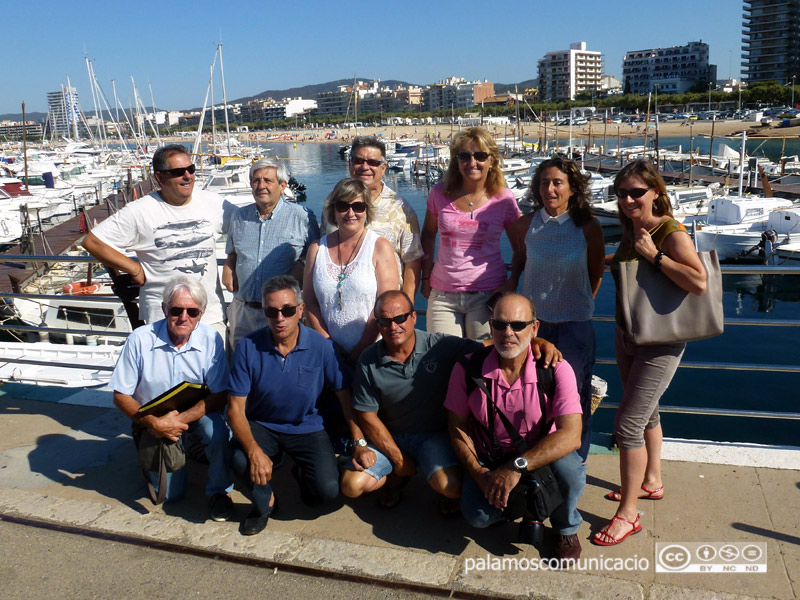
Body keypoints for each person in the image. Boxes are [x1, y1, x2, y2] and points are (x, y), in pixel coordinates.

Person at [340, 290, 563, 512]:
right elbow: (367, 415)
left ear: (414, 317)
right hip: (391, 435)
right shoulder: (368, 360)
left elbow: (489, 345)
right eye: (384, 321)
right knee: (352, 486)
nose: (393, 326)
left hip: (433, 436)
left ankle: (426, 482)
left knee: (452, 487)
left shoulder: (438, 346)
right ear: (377, 323)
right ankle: (396, 479)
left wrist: (537, 341)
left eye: (400, 318)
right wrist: (398, 459)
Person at [594, 160, 707, 546]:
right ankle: (651, 481)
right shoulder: (631, 229)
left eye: (636, 192)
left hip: (661, 341)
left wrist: (655, 255)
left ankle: (628, 514)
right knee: (646, 413)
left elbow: (699, 282)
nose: (627, 199)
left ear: (656, 191)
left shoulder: (669, 231)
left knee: (626, 425)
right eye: (622, 193)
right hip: (628, 334)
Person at [446, 294, 585, 561]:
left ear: (534, 328)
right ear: (490, 325)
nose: (508, 333)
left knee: (572, 472)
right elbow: (457, 426)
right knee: (478, 517)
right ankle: (515, 505)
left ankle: (565, 527)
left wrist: (515, 467)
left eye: (518, 325)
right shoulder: (468, 368)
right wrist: (479, 473)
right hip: (491, 454)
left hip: (541, 448)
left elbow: (572, 435)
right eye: (500, 325)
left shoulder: (555, 368)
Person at [226, 275, 363, 535]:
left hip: (307, 426)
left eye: (287, 310)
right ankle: (265, 501)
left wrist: (358, 442)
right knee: (239, 458)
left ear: (300, 311)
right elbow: (235, 409)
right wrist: (254, 451)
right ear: (264, 312)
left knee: (326, 493)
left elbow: (346, 397)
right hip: (262, 425)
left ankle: (302, 474)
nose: (280, 318)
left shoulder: (322, 347)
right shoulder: (248, 348)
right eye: (272, 311)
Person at [110, 275, 233, 519]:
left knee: (218, 433)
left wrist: (179, 421)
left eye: (192, 312)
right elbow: (120, 395)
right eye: (176, 310)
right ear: (165, 309)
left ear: (202, 312)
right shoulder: (140, 339)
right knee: (169, 496)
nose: (183, 317)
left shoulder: (211, 339)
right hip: (153, 417)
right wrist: (152, 423)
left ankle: (221, 491)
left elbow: (219, 394)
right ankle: (152, 447)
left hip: (194, 411)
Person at [511, 157, 604, 461]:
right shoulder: (526, 224)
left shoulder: (587, 226)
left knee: (573, 400)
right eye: (543, 182)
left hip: (574, 327)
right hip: (533, 328)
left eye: (557, 182)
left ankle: (574, 464)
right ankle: (539, 462)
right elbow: (520, 265)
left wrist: (576, 304)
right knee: (533, 397)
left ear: (573, 188)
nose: (549, 189)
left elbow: (596, 273)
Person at [82, 144, 229, 337]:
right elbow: (92, 242)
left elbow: (244, 225)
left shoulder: (213, 202)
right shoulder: (139, 211)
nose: (187, 176)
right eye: (178, 172)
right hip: (163, 320)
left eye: (190, 169)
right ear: (160, 178)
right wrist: (133, 268)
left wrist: (232, 259)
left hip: (210, 316)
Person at [421, 127, 522, 340]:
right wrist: (426, 276)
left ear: (492, 160)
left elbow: (520, 247)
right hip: (442, 296)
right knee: (444, 361)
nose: (472, 162)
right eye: (465, 156)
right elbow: (428, 234)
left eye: (480, 156)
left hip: (488, 294)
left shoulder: (504, 199)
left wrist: (512, 282)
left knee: (481, 361)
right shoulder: (439, 193)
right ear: (456, 161)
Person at [222, 157, 319, 348]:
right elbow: (233, 253)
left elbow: (315, 256)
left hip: (281, 316)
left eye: (268, 181)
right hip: (244, 311)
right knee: (241, 367)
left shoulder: (303, 217)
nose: (261, 186)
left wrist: (302, 264)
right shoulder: (239, 216)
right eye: (256, 180)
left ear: (283, 186)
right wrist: (228, 264)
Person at [303, 178, 398, 366]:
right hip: (326, 354)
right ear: (333, 210)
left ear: (367, 210)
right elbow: (310, 302)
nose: (350, 213)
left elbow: (385, 305)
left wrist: (360, 350)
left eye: (358, 206)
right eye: (343, 206)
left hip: (372, 353)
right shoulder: (316, 248)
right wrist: (328, 346)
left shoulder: (380, 247)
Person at [322, 135, 424, 299]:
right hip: (337, 302)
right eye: (358, 160)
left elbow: (412, 260)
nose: (365, 167)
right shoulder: (333, 202)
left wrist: (407, 305)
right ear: (350, 163)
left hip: (384, 309)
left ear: (383, 168)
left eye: (373, 162)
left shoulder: (401, 208)